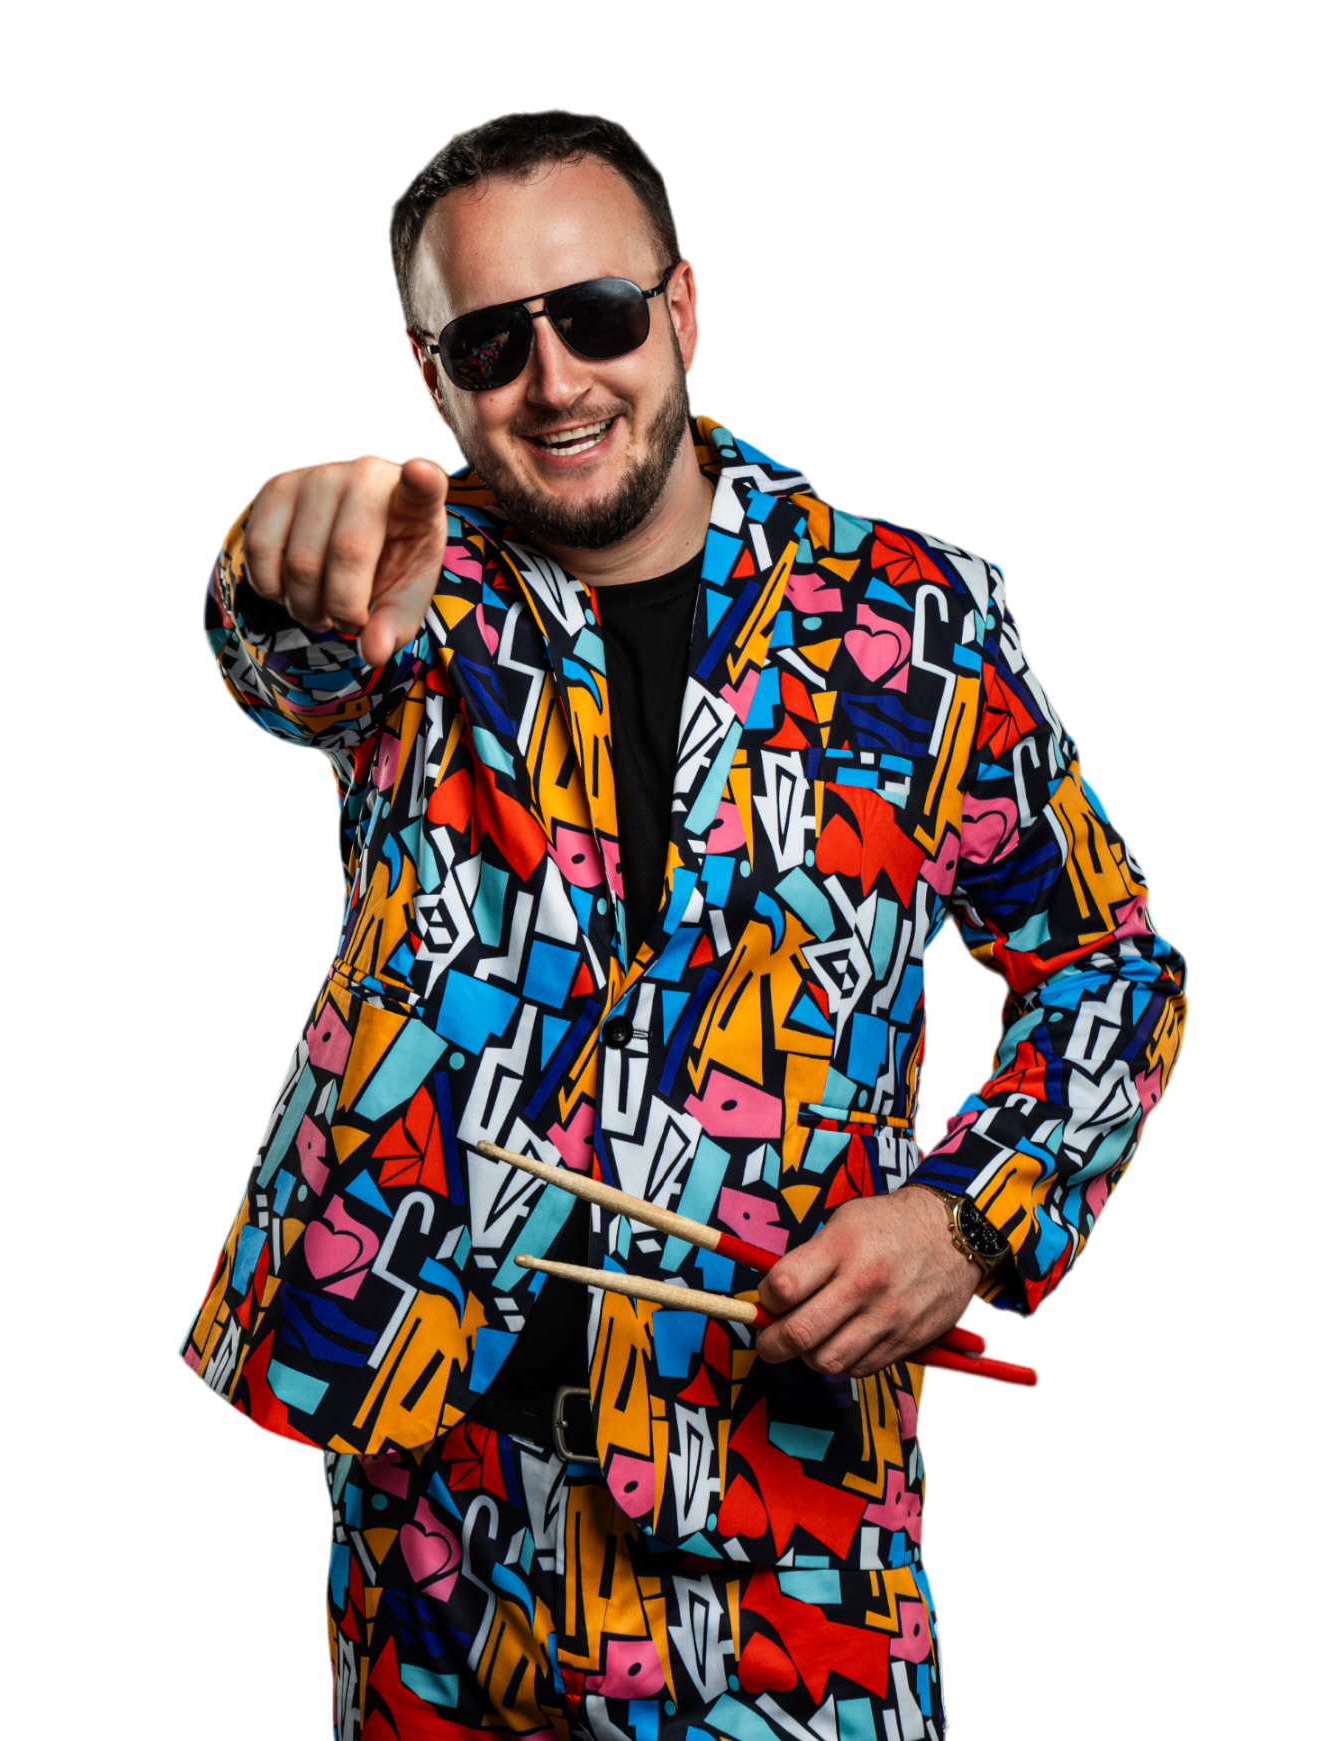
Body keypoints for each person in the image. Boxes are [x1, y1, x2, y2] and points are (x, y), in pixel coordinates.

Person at [180, 110, 1189, 1741]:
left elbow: (1114, 966)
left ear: (684, 311)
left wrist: (963, 1222)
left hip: (791, 1520)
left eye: (597, 316)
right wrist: (280, 569)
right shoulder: (417, 599)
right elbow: (280, 651)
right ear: (432, 379)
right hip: (432, 1515)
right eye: (490, 344)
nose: (555, 381)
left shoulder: (917, 616)